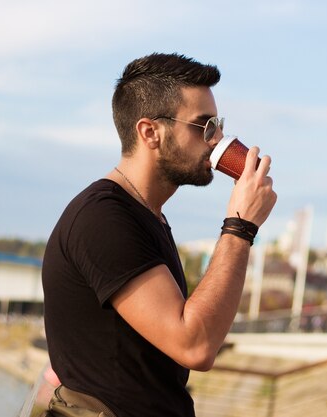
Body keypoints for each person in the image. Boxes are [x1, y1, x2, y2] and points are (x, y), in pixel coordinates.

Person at [41, 53, 277, 417]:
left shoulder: (146, 215)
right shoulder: (103, 218)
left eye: (218, 124)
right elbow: (195, 345)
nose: (216, 139)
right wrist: (240, 227)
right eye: (203, 126)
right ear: (150, 132)